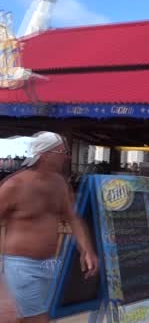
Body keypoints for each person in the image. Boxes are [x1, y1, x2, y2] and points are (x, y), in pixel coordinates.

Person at [0, 132, 98, 322]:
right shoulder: (14, 185)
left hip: (49, 265)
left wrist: (86, 250)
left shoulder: (60, 184)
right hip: (21, 267)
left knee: (23, 318)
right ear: (45, 155)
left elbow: (73, 218)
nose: (66, 156)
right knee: (38, 319)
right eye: (62, 151)